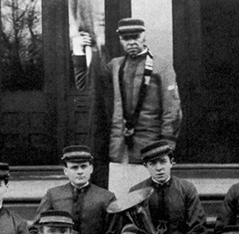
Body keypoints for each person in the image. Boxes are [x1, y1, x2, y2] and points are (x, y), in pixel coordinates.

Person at [74, 17, 181, 167]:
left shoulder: (161, 66)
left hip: (151, 148)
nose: (131, 42)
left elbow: (172, 111)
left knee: (147, 190)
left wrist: (167, 148)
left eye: (136, 37)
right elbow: (84, 83)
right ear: (120, 39)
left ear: (144, 35)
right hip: (118, 150)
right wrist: (79, 50)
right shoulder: (115, 65)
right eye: (125, 38)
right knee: (119, 189)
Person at [127, 139, 206, 234]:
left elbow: (198, 227)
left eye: (163, 162)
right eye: (153, 164)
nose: (159, 168)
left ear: (172, 162)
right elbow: (129, 229)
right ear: (145, 166)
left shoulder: (186, 188)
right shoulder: (135, 192)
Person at [34, 145, 118, 234]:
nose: (80, 172)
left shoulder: (106, 198)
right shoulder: (53, 195)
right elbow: (37, 229)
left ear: (91, 169)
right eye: (74, 168)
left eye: (84, 167)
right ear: (66, 171)